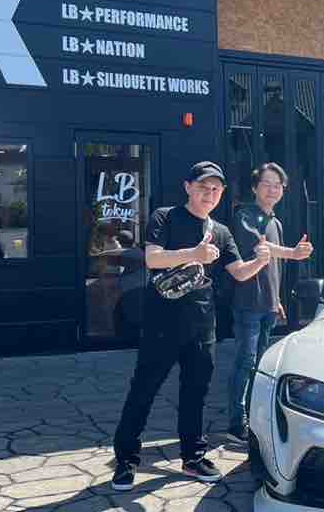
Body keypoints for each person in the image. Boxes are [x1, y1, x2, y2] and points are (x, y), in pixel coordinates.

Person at [110, 161, 272, 491]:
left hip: (202, 325)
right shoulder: (165, 217)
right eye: (202, 187)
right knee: (143, 391)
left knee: (195, 393)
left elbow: (239, 272)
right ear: (188, 187)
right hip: (161, 323)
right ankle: (126, 460)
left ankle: (193, 457)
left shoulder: (221, 231)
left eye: (215, 189)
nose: (209, 194)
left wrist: (261, 260)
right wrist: (194, 253)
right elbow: (153, 258)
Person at [224, 162, 313, 444]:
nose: (273, 190)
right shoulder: (245, 215)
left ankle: (253, 416)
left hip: (268, 304)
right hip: (248, 302)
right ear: (255, 188)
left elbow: (274, 266)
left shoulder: (276, 222)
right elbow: (261, 249)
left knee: (261, 363)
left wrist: (278, 299)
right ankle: (236, 423)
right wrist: (294, 253)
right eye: (267, 184)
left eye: (278, 185)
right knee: (245, 361)